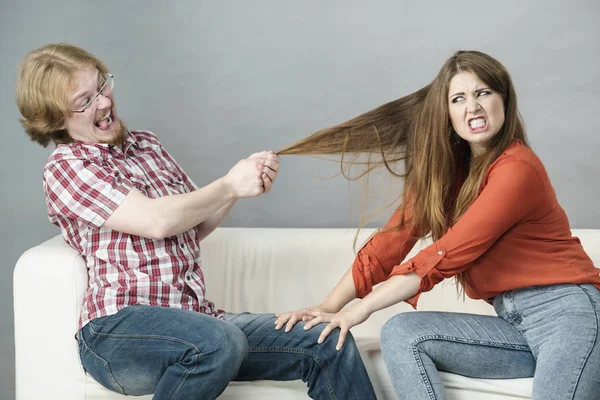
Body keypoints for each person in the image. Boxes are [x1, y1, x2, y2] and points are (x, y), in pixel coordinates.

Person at [16, 43, 377, 400]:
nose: (105, 102)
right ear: (55, 118)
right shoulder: (67, 168)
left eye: (102, 86)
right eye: (85, 101)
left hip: (196, 319)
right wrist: (227, 184)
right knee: (218, 341)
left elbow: (195, 223)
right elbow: (157, 220)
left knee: (326, 338)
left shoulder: (146, 145)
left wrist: (240, 188)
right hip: (118, 332)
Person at [275, 50, 600, 399]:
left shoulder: (518, 169)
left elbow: (444, 255)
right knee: (403, 332)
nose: (472, 106)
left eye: (483, 93)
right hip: (517, 326)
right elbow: (390, 243)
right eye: (458, 98)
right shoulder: (445, 178)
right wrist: (328, 307)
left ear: (504, 100)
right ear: (447, 113)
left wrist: (360, 310)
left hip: (570, 317)